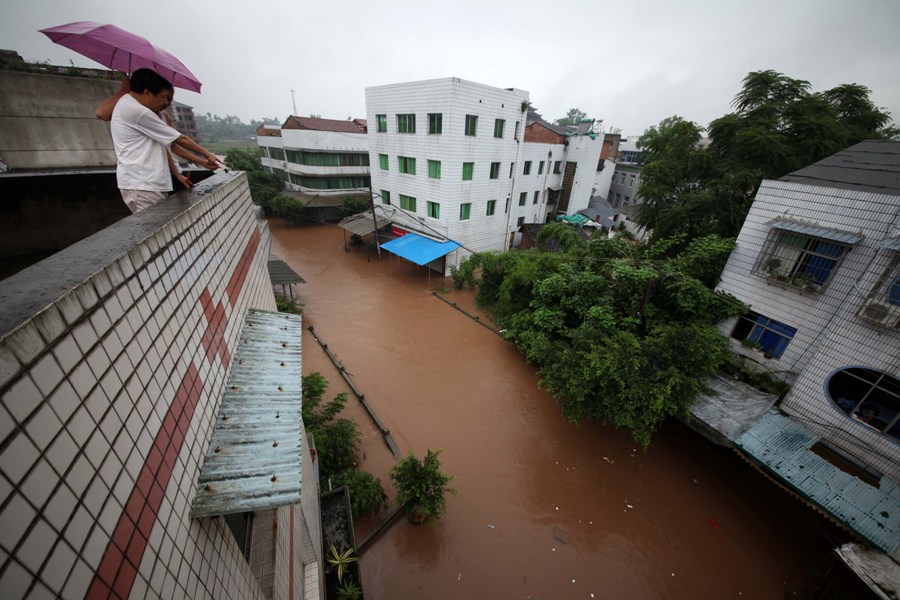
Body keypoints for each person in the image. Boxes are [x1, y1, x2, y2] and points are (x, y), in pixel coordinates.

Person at [107, 68, 219, 213]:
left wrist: (196, 165)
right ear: (147, 92)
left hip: (146, 183)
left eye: (169, 99)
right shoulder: (137, 111)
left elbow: (166, 146)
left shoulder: (133, 106)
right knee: (154, 229)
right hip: (142, 184)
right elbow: (180, 139)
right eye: (163, 97)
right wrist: (207, 153)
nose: (165, 102)